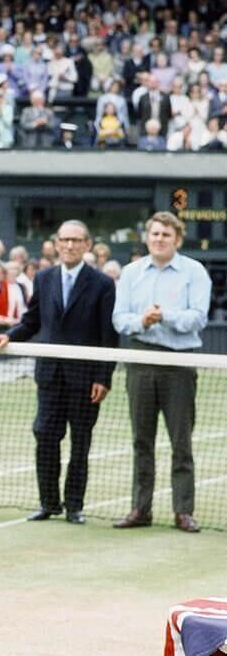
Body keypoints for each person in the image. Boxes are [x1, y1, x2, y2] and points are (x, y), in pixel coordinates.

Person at [0, 220, 118, 524]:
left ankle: (74, 506)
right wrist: (9, 335)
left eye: (76, 240)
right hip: (49, 377)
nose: (70, 245)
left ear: (87, 244)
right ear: (57, 244)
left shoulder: (102, 283)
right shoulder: (44, 279)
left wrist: (103, 377)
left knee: (80, 443)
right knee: (45, 436)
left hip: (86, 380)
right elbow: (32, 321)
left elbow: (108, 336)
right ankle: (49, 503)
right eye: (65, 240)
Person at [111, 212, 212, 533]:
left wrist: (163, 315)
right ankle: (141, 509)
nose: (159, 239)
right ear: (147, 237)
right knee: (142, 440)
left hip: (179, 363)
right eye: (155, 234)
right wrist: (143, 321)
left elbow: (197, 318)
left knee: (181, 442)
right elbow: (120, 319)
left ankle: (183, 511)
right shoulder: (130, 273)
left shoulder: (194, 272)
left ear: (177, 239)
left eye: (166, 235)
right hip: (140, 360)